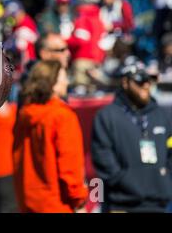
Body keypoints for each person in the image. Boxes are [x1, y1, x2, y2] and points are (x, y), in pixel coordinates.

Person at [91, 60, 172, 213]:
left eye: (149, 80)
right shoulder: (107, 116)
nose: (146, 85)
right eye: (140, 80)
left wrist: (165, 180)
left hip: (158, 204)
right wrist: (123, 180)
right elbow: (103, 158)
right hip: (121, 204)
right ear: (125, 82)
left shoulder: (161, 115)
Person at [13, 60, 88, 213]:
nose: (67, 81)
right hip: (57, 204)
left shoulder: (24, 114)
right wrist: (79, 199)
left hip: (28, 203)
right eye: (63, 77)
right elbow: (70, 167)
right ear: (52, 83)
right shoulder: (62, 116)